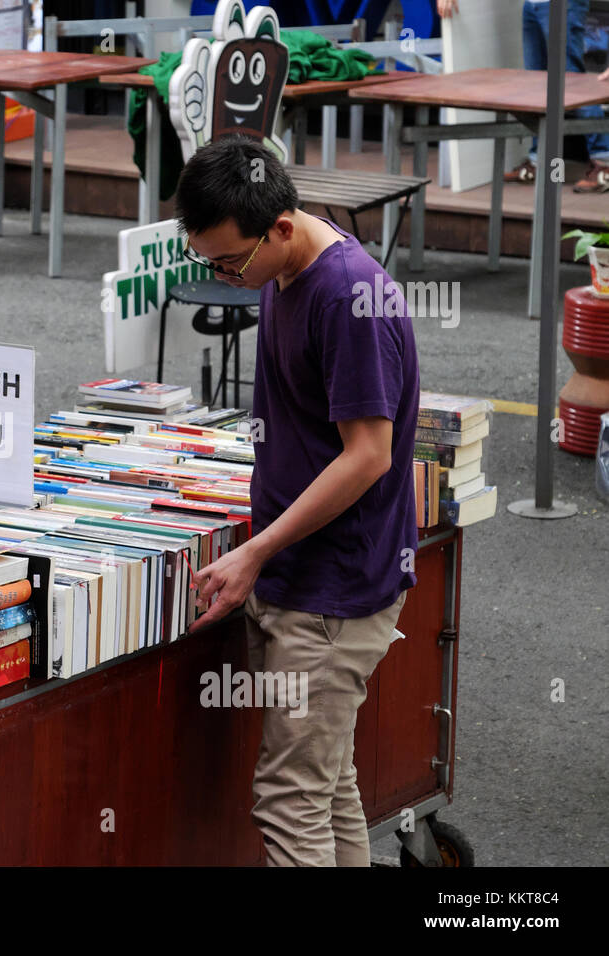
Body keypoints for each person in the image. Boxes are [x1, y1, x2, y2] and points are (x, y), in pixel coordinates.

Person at [175, 136, 420, 866]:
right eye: (209, 261)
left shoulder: (346, 296)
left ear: (282, 226)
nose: (223, 276)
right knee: (326, 784)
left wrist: (256, 550)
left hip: (331, 593)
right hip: (309, 578)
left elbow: (370, 455)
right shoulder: (287, 267)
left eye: (230, 261)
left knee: (289, 802)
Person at [440, 0, 609, 192]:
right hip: (532, 4)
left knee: (572, 83)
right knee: (537, 86)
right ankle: (541, 162)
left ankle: (604, 163)